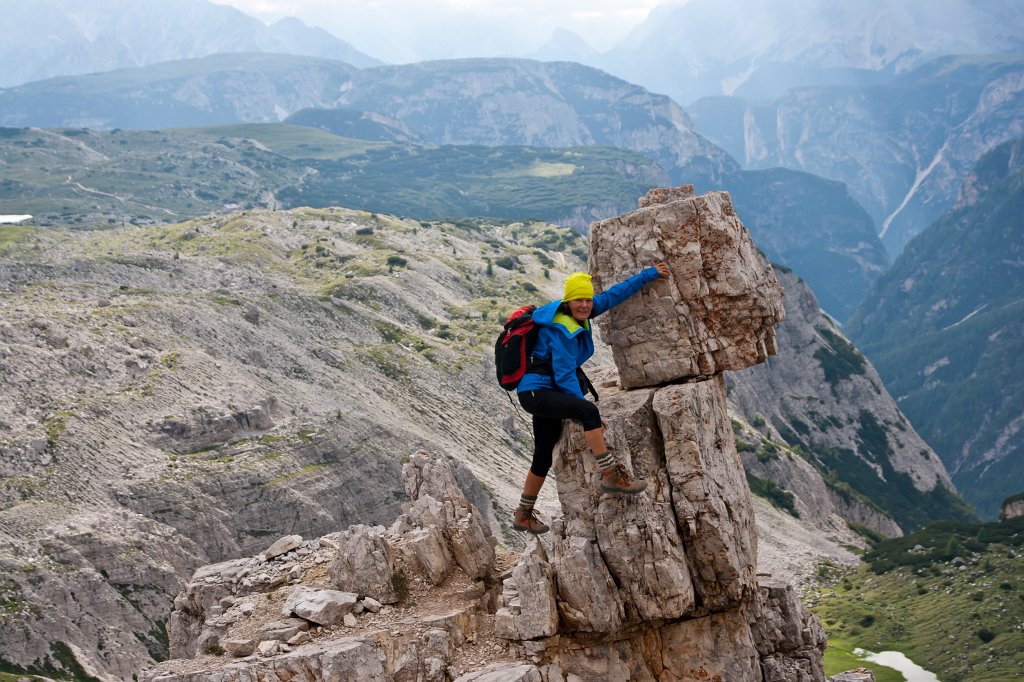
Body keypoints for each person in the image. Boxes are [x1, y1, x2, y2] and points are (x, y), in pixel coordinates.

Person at [513, 262, 671, 534]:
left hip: (540, 391)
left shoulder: (581, 310)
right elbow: (563, 376)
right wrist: (584, 411)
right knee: (588, 413)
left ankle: (523, 513)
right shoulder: (560, 328)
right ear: (568, 301)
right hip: (537, 392)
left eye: (587, 299)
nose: (585, 305)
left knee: (543, 454)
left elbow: (613, 295)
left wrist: (650, 274)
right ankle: (610, 474)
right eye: (579, 301)